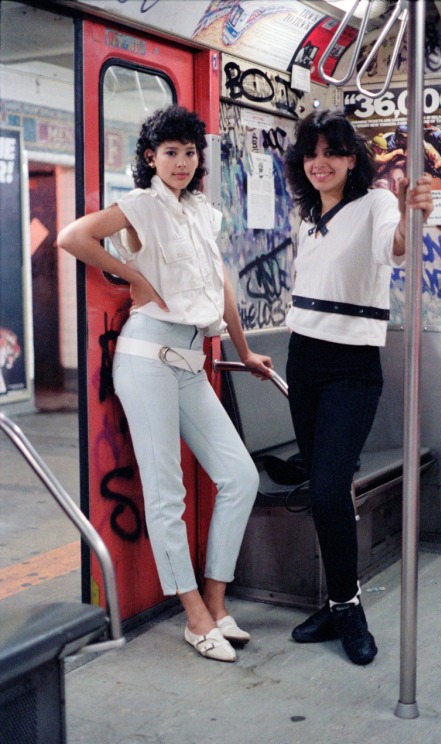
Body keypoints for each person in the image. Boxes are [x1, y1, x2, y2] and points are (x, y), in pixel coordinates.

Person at [58, 105, 273, 663]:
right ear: (151, 158)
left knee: (240, 475)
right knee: (167, 492)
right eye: (169, 152)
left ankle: (217, 602)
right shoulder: (142, 206)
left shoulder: (204, 213)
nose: (181, 162)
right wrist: (133, 276)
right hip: (146, 355)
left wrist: (244, 352)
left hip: (191, 359)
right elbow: (72, 236)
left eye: (189, 151)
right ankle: (194, 616)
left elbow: (221, 286)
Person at [283, 110, 433, 665]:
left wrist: (408, 221)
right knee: (327, 490)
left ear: (351, 158)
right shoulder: (307, 218)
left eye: (332, 152)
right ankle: (339, 600)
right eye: (311, 154)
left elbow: (389, 250)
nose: (320, 163)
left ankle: (349, 609)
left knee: (327, 486)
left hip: (352, 365)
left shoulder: (376, 203)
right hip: (303, 358)